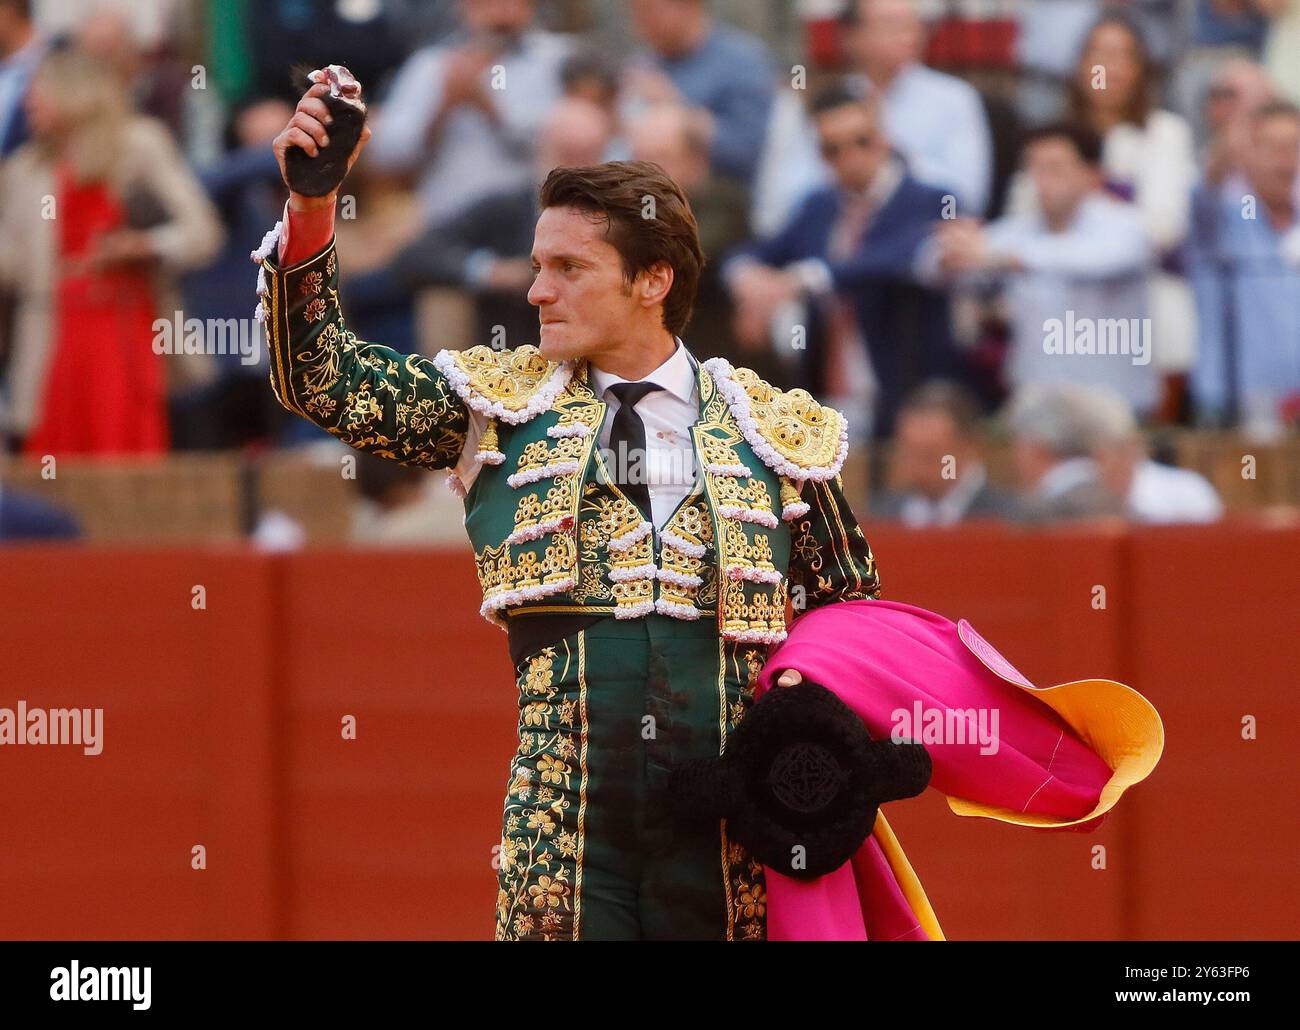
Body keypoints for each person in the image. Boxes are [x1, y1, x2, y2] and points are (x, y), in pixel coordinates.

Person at [256, 71, 885, 941]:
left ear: (653, 278)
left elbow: (852, 619)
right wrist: (314, 209)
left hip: (731, 833)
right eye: (539, 264)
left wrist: (811, 765)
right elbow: (320, 377)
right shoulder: (495, 405)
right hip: (565, 838)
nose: (534, 291)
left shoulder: (772, 429)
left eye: (568, 268)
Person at [0, 45, 223, 456]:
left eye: (39, 90)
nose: (28, 101)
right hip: (54, 331)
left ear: (75, 92)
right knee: (59, 454)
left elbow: (202, 231)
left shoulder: (139, 145)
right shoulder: (23, 169)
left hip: (124, 324)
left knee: (123, 441)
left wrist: (144, 245)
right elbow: (11, 264)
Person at [723, 85, 958, 442]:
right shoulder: (819, 206)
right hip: (826, 394)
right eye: (833, 148)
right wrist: (749, 282)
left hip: (905, 394)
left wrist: (800, 280)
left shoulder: (931, 200)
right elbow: (758, 252)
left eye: (862, 141)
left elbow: (891, 260)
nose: (850, 156)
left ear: (884, 138)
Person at [933, 122, 1158, 419]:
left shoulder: (1126, 226)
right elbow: (944, 267)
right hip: (1036, 409)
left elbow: (1094, 258)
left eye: (1054, 169)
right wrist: (951, 251)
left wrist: (1003, 257)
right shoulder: (1017, 232)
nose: (1041, 181)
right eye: (1034, 169)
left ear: (1092, 175)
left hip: (1115, 409)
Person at [841, 0, 994, 216]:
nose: (908, 34)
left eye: (913, 24)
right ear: (852, 37)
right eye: (891, 24)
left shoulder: (955, 99)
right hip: (847, 233)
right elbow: (800, 186)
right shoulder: (836, 101)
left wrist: (893, 162)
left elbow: (965, 198)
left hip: (925, 235)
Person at [870, 381, 1022, 526]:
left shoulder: (1012, 520)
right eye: (909, 455)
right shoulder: (879, 518)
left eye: (929, 456)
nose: (918, 469)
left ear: (970, 448)